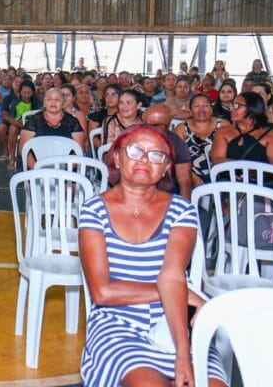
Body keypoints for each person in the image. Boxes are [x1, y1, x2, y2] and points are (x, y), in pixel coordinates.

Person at [79, 125, 227, 387]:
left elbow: (172, 275)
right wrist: (180, 292)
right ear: (117, 157)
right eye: (135, 151)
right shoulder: (94, 210)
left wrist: (183, 354)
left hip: (175, 321)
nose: (145, 160)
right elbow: (103, 292)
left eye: (157, 155)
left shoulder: (182, 210)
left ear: (166, 168)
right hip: (118, 321)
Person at [211, 91, 273, 169]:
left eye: (237, 105)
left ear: (252, 108)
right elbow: (216, 159)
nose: (232, 109)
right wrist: (238, 169)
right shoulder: (223, 131)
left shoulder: (271, 135)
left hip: (261, 179)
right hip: (228, 177)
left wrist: (252, 172)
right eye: (232, 105)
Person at [19, 87, 84, 169]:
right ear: (44, 103)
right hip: (37, 170)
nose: (53, 102)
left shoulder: (73, 122)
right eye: (49, 99)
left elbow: (80, 150)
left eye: (57, 99)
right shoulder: (34, 120)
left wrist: (64, 172)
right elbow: (23, 148)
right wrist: (36, 169)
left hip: (67, 172)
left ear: (63, 103)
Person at [141, 104, 193, 200]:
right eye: (142, 122)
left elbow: (185, 184)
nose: (141, 126)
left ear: (161, 127)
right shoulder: (133, 136)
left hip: (165, 192)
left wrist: (182, 211)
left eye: (146, 124)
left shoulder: (176, 143)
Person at [173, 93, 222, 188]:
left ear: (211, 109)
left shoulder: (223, 125)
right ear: (190, 111)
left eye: (205, 105)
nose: (201, 109)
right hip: (187, 173)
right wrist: (191, 176)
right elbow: (176, 157)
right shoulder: (182, 128)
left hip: (219, 174)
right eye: (197, 106)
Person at [5, 79, 41, 170]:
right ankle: (12, 158)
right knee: (12, 129)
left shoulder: (37, 103)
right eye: (24, 92)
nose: (26, 95)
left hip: (33, 127)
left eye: (28, 93)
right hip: (19, 125)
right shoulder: (15, 102)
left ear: (32, 92)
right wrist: (21, 125)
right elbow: (11, 118)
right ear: (20, 91)